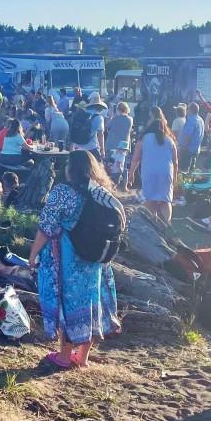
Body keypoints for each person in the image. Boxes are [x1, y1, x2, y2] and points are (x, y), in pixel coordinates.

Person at [28, 151, 121, 370]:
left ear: (72, 167)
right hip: (96, 260)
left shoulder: (63, 192)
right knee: (90, 304)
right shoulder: (100, 192)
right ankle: (83, 358)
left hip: (70, 258)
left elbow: (46, 228)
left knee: (68, 303)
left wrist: (33, 254)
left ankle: (64, 356)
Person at [130, 118, 177, 224]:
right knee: (165, 200)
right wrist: (175, 176)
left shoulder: (143, 139)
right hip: (166, 172)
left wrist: (131, 174)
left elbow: (135, 159)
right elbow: (175, 162)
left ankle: (150, 223)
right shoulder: (170, 140)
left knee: (150, 198)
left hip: (149, 172)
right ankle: (167, 224)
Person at [106, 101, 134, 189]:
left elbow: (107, 125)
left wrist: (110, 115)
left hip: (113, 145)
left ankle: (113, 184)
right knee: (124, 166)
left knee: (112, 165)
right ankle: (124, 186)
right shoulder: (130, 119)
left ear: (118, 109)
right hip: (124, 146)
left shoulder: (114, 119)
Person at [176, 102, 204, 173]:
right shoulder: (200, 119)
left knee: (183, 172)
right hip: (196, 150)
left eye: (187, 108)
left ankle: (184, 184)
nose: (186, 110)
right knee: (191, 171)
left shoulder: (191, 120)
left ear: (190, 110)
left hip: (187, 150)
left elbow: (188, 136)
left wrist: (183, 147)